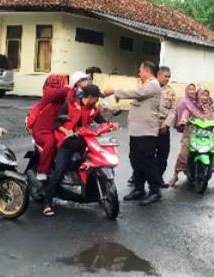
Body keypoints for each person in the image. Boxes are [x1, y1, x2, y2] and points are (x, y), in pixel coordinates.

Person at [43, 84, 112, 216]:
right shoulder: (69, 105)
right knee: (59, 171)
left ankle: (95, 193)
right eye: (97, 97)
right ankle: (47, 203)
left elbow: (101, 121)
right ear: (90, 97)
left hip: (84, 141)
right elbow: (56, 123)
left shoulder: (93, 109)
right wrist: (66, 131)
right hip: (67, 142)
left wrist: (110, 124)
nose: (98, 100)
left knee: (94, 165)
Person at [105, 61, 163, 206]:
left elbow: (137, 94)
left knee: (147, 160)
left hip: (146, 131)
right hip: (137, 130)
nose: (139, 73)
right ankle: (139, 188)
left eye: (140, 70)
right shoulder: (145, 84)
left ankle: (155, 191)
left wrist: (116, 91)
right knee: (136, 159)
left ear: (147, 71)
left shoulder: (153, 84)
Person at [170, 89, 214, 190]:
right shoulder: (191, 107)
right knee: (184, 154)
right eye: (202, 95)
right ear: (198, 96)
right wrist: (183, 120)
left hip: (206, 136)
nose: (205, 98)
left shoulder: (210, 108)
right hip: (191, 135)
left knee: (213, 154)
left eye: (207, 95)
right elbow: (185, 114)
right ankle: (175, 175)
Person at [29, 73, 70, 181]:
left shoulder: (66, 97)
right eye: (65, 82)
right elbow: (61, 92)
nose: (67, 84)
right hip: (43, 131)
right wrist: (72, 89)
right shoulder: (49, 93)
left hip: (58, 128)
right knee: (51, 141)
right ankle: (42, 171)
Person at [156, 66, 176, 188]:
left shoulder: (170, 91)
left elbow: (173, 110)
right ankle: (139, 177)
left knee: (163, 155)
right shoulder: (150, 88)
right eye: (165, 76)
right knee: (147, 155)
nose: (167, 79)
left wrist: (166, 124)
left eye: (169, 77)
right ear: (159, 75)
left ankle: (159, 178)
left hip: (163, 128)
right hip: (150, 127)